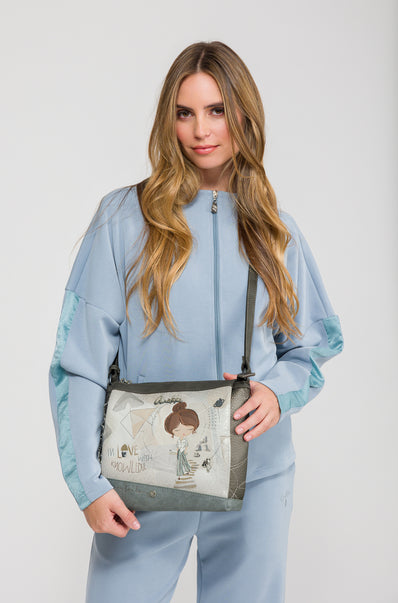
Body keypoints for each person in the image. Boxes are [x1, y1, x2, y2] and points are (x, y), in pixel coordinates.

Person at [49, 40, 344, 603]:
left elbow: (312, 346)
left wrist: (278, 392)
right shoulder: (123, 218)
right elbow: (79, 363)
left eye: (217, 111)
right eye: (185, 113)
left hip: (256, 479)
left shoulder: (275, 231)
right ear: (169, 120)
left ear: (244, 116)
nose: (201, 130)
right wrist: (88, 483)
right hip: (144, 476)